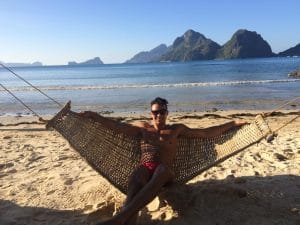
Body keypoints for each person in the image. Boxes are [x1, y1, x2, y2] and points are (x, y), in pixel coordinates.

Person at [79, 97, 247, 225]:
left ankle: (118, 219)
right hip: (144, 169)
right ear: (151, 114)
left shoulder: (176, 130)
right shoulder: (143, 128)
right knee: (137, 178)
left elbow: (205, 133)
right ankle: (125, 220)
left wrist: (232, 123)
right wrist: (94, 116)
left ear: (167, 113)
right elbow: (116, 127)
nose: (158, 115)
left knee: (161, 170)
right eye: (155, 112)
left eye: (162, 112)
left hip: (164, 175)